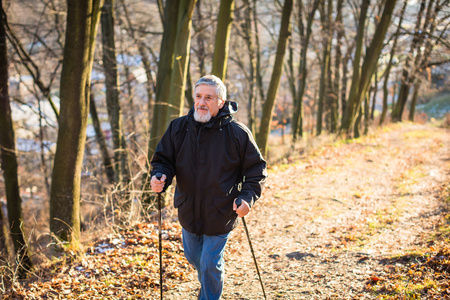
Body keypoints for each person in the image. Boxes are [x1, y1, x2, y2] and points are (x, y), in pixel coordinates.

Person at [150, 75, 267, 300]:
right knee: (194, 258)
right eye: (198, 96)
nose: (202, 102)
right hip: (188, 210)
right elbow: (163, 159)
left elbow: (256, 171)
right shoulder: (178, 128)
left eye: (209, 98)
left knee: (210, 263)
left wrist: (247, 198)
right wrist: (159, 175)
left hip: (221, 211)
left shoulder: (237, 133)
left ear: (221, 102)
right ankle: (209, 283)